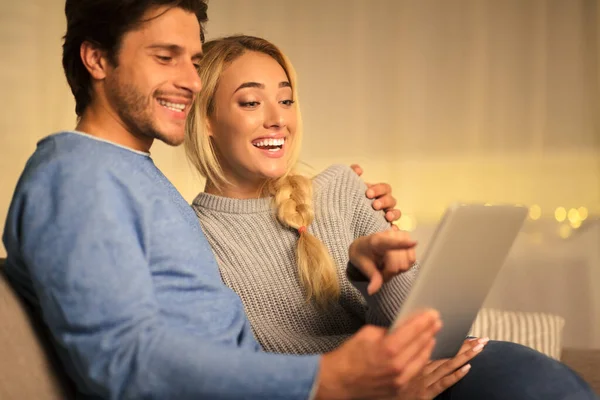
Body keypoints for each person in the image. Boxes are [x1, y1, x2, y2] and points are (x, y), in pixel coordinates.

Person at [1, 1, 444, 399]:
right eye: (164, 57)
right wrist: (324, 380)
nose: (191, 82)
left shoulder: (131, 174)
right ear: (97, 59)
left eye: (194, 61)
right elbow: (123, 364)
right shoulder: (77, 177)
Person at [185, 34, 599, 400]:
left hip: (447, 374)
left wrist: (379, 276)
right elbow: (237, 375)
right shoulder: (191, 238)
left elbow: (425, 333)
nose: (278, 118)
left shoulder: (342, 187)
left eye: (287, 99)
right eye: (252, 102)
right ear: (207, 119)